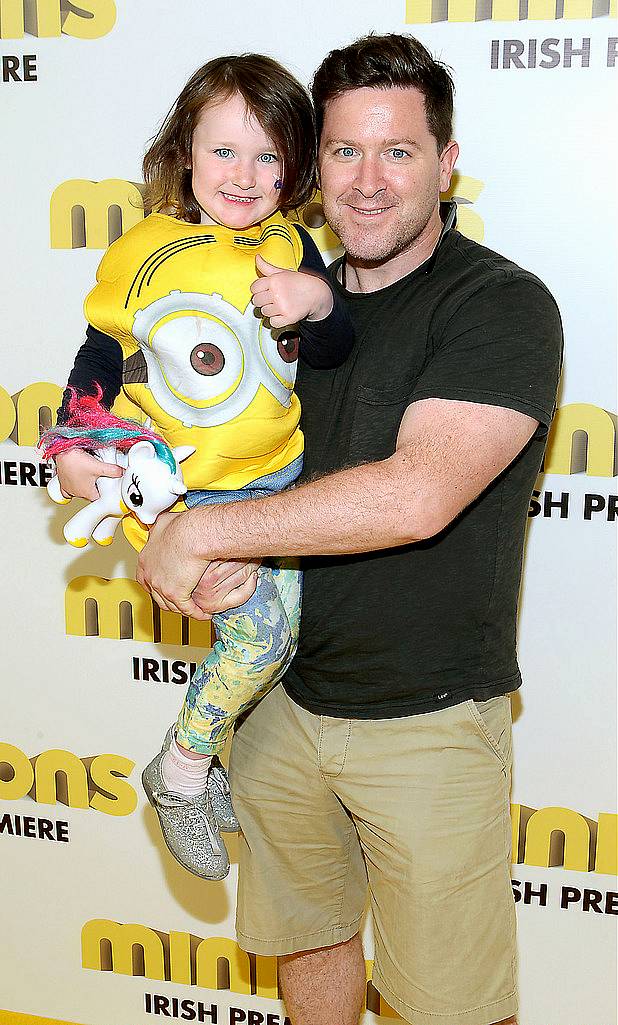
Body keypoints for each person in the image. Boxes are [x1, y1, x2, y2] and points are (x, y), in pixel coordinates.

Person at [136, 33, 563, 1025]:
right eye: (343, 152)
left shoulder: (498, 304)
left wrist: (213, 535)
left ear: (448, 162)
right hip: (280, 704)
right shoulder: (274, 301)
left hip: (429, 720)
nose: (368, 183)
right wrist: (131, 479)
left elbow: (416, 493)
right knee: (307, 943)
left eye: (399, 151)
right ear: (310, 165)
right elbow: (192, 442)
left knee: (454, 1002)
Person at [47, 54, 354, 881]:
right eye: (224, 152)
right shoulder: (146, 247)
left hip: (284, 485)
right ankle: (179, 772)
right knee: (257, 642)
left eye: (267, 156)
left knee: (276, 644)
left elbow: (333, 352)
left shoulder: (297, 244)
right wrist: (74, 441)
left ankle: (201, 759)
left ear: (294, 163)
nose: (245, 175)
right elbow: (100, 354)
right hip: (196, 488)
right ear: (185, 150)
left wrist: (318, 303)